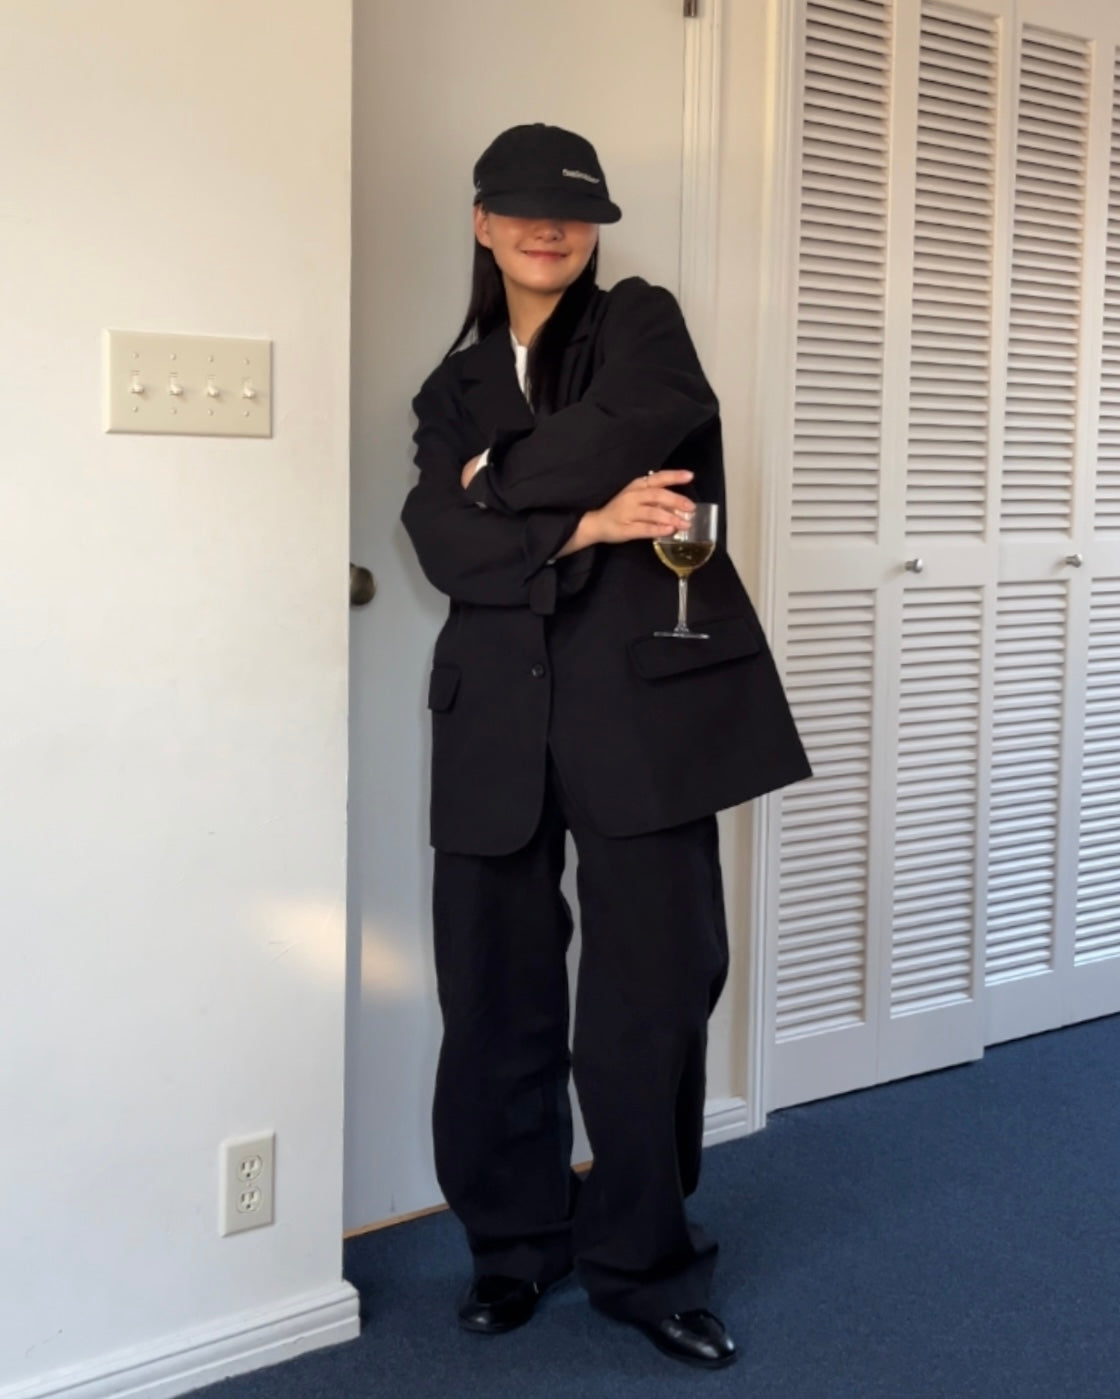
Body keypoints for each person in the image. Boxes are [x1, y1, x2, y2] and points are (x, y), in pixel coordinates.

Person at [401, 123, 811, 1371]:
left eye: (571, 211)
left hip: (644, 711)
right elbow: (438, 545)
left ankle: (645, 1260)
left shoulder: (640, 324)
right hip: (492, 718)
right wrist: (580, 525)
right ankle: (513, 1244)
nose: (548, 228)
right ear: (483, 224)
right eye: (521, 208)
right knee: (493, 996)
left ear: (593, 229)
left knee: (652, 991)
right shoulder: (449, 390)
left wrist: (493, 488)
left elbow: (635, 426)